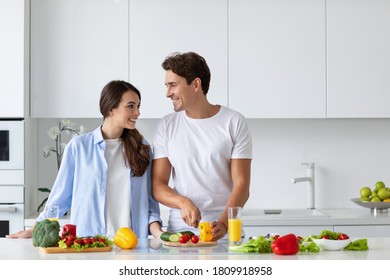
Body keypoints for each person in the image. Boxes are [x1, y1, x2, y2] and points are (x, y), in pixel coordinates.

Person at [7, 80, 163, 239]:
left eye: (138, 106)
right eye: (131, 106)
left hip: (131, 247)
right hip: (89, 246)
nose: (137, 112)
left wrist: (160, 234)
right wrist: (35, 229)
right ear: (110, 108)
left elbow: (150, 205)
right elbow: (60, 199)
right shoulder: (79, 147)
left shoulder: (142, 148)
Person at [152, 52, 252, 241]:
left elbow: (242, 184)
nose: (167, 93)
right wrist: (182, 202)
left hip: (225, 235)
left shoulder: (233, 122)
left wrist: (223, 223)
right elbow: (158, 185)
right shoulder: (167, 126)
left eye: (173, 85)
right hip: (180, 236)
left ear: (196, 84)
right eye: (167, 86)